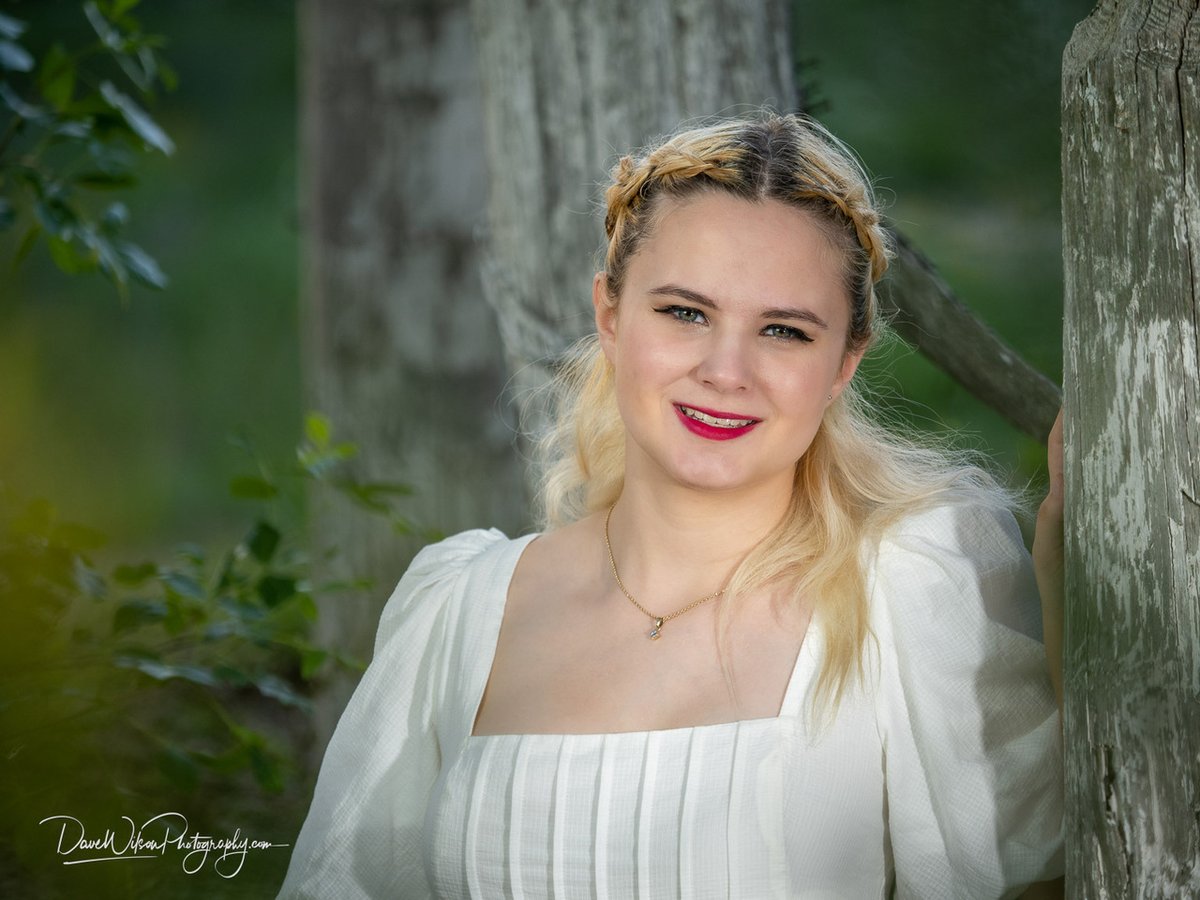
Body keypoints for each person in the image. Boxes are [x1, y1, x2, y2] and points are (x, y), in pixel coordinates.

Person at [278, 112, 1065, 899]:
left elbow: (1042, 867)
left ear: (843, 364)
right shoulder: (458, 609)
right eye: (685, 313)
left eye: (784, 331)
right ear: (611, 316)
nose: (727, 371)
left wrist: (1066, 553)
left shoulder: (909, 586)